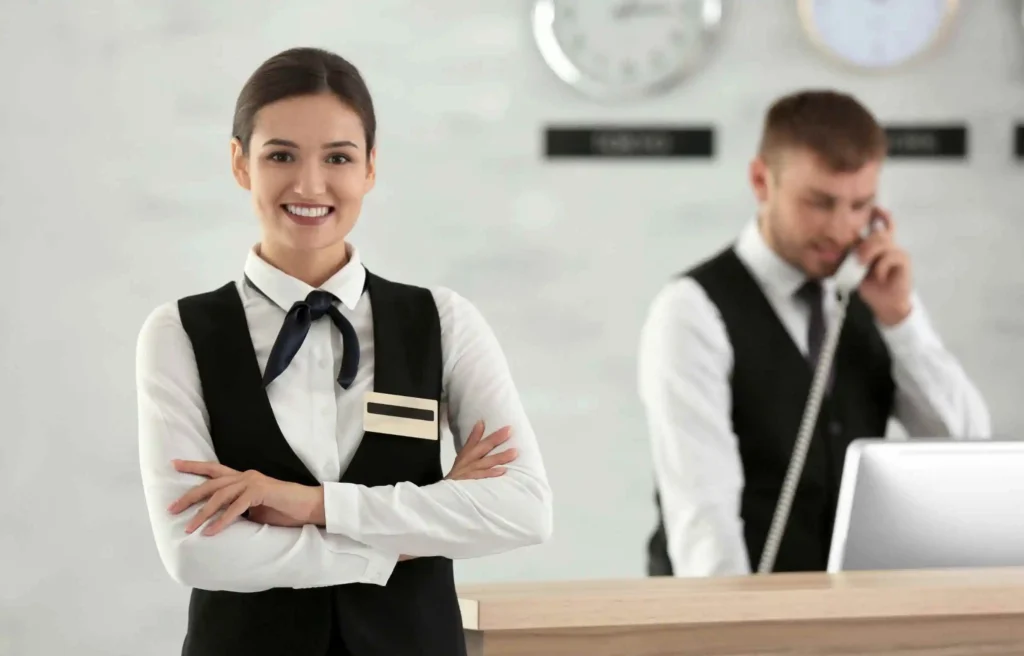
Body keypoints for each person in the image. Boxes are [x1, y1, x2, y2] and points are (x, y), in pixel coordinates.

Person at [135, 47, 553, 656]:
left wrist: (310, 506)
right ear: (240, 163)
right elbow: (196, 550)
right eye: (281, 155)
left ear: (370, 169)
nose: (310, 185)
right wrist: (416, 529)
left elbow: (523, 508)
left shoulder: (443, 321)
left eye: (338, 157)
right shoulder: (178, 332)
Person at [638, 89, 991, 578]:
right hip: (731, 623)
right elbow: (702, 510)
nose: (841, 229)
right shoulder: (692, 311)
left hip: (850, 619)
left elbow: (965, 447)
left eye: (860, 205)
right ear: (762, 181)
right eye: (819, 203)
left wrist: (900, 321)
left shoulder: (873, 295)